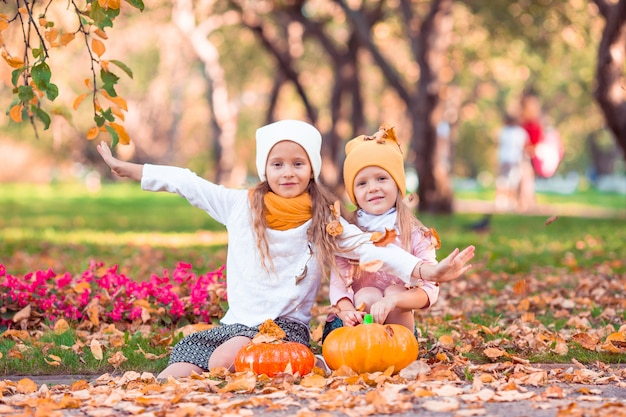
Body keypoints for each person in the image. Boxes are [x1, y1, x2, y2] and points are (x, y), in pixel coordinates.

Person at [96, 119, 475, 379]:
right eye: (277, 164)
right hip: (233, 327)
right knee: (174, 374)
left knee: (227, 360)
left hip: (283, 333)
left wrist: (427, 272)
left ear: (311, 168)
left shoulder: (325, 219)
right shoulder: (239, 206)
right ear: (265, 169)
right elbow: (187, 182)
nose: (287, 172)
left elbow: (372, 248)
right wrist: (129, 169)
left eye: (298, 163)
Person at [323, 125, 447, 340]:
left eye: (381, 178)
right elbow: (339, 284)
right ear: (353, 192)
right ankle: (367, 349)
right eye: (362, 183)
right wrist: (346, 310)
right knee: (367, 294)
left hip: (397, 325)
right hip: (351, 323)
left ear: (398, 184)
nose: (372, 188)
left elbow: (429, 290)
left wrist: (394, 301)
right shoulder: (348, 231)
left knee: (394, 292)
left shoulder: (416, 233)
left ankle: (396, 348)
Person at [495, 114, 529, 212]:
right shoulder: (520, 132)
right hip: (515, 160)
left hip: (504, 159)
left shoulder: (503, 132)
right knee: (513, 182)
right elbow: (525, 147)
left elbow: (498, 145)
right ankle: (510, 202)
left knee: (502, 181)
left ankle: (501, 201)